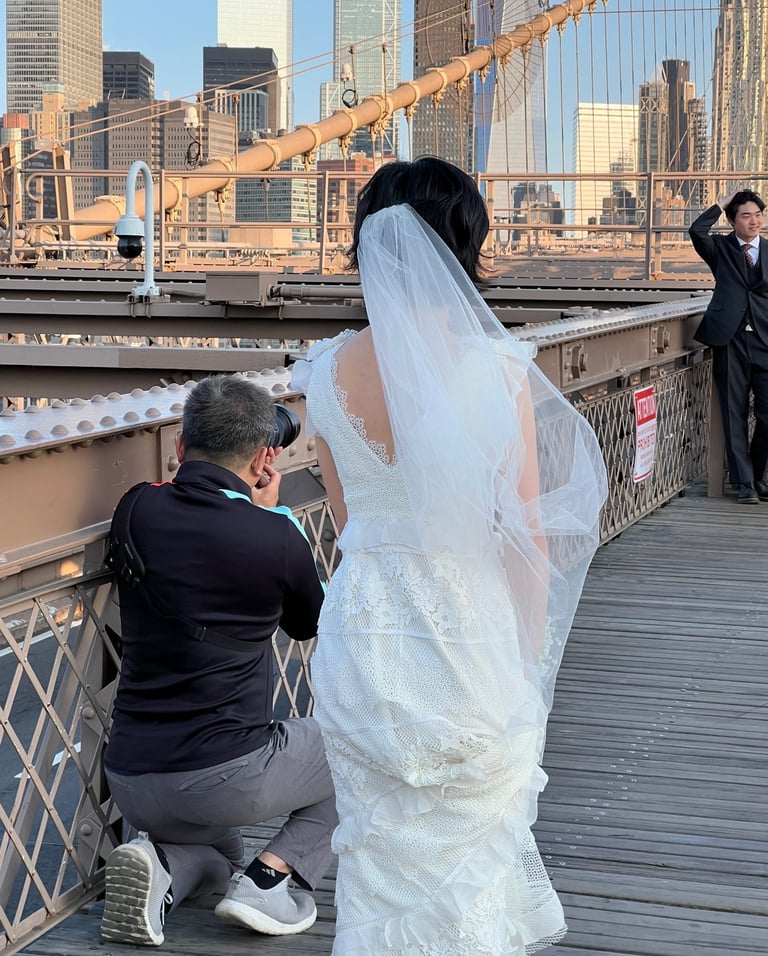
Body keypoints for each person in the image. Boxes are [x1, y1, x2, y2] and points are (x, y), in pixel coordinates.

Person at [291, 157, 608, 954]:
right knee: (470, 866)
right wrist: (527, 677)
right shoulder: (497, 369)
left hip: (365, 633)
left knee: (378, 859)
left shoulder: (324, 372)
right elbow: (525, 540)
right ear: (462, 249)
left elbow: (345, 514)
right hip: (466, 641)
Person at [100, 374, 335, 947]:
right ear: (264, 458)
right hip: (221, 776)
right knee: (365, 748)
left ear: (180, 447)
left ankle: (163, 868)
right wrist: (274, 517)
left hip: (130, 775)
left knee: (218, 853)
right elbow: (309, 624)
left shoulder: (135, 508)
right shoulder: (274, 537)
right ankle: (270, 879)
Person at [689, 189, 768, 503]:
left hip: (765, 339)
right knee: (733, 411)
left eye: (758, 215)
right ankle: (745, 483)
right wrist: (720, 204)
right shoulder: (719, 248)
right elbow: (696, 230)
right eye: (746, 215)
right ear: (733, 220)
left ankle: (756, 473)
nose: (754, 221)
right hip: (729, 338)